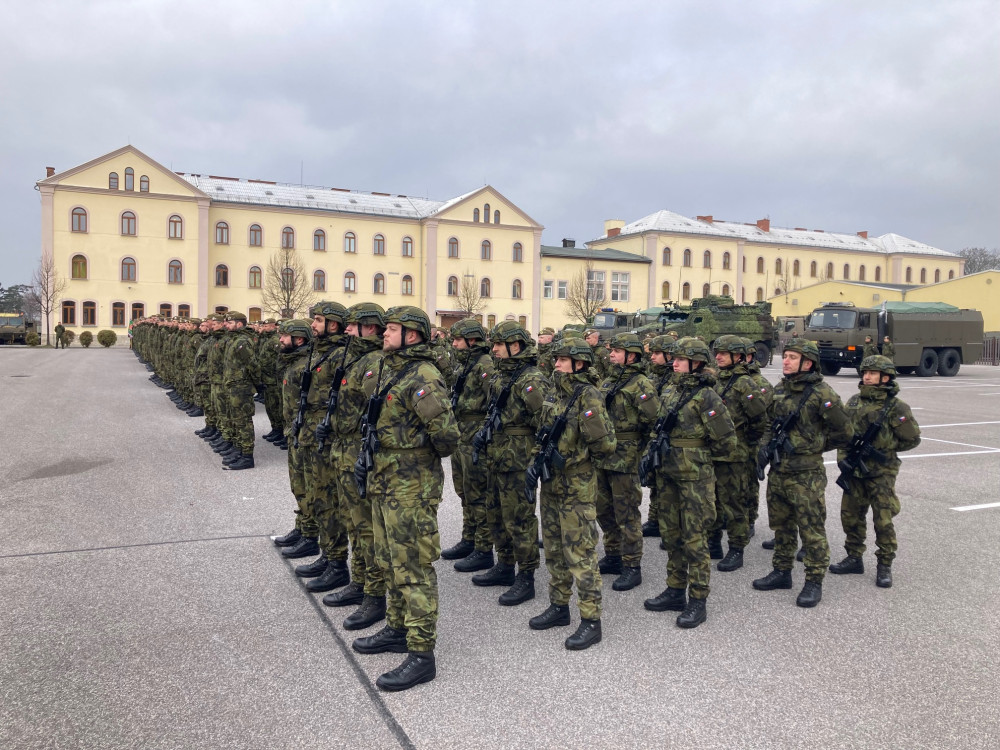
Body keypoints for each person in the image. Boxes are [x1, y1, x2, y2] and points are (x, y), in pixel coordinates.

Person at [351, 305, 459, 692]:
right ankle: (397, 628)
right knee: (388, 559)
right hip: (385, 480)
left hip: (409, 485)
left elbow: (447, 437)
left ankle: (421, 654)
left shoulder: (423, 376)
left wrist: (410, 453)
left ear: (411, 335)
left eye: (391, 328)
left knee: (412, 566)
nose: (383, 333)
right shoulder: (389, 367)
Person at [527, 339, 616, 650]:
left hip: (576, 486)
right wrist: (535, 462)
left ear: (579, 363)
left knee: (580, 553)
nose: (557, 364)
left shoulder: (588, 394)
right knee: (553, 549)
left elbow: (605, 445)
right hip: (551, 484)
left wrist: (574, 455)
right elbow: (543, 429)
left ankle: (591, 621)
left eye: (563, 360)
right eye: (557, 359)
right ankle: (558, 606)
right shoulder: (556, 391)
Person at [642, 337, 736, 629]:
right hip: (668, 474)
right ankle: (674, 590)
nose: (675, 363)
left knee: (695, 539)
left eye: (681, 359)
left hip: (695, 477)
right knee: (671, 535)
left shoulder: (707, 396)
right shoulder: (670, 389)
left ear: (696, 363)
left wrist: (698, 457)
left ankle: (697, 599)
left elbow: (726, 441)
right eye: (675, 358)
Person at [752, 339, 853, 608]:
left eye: (792, 357)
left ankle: (813, 580)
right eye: (784, 356)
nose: (785, 360)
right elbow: (768, 425)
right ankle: (782, 571)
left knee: (811, 529)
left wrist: (813, 445)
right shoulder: (781, 389)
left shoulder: (823, 394)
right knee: (781, 525)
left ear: (807, 362)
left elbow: (845, 433)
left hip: (806, 472)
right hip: (779, 469)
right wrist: (763, 448)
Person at [470, 322, 549, 607]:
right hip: (497, 456)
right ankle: (504, 564)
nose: (493, 350)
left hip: (517, 459)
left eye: (498, 345)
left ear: (515, 346)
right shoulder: (502, 377)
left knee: (520, 519)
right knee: (495, 514)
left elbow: (545, 421)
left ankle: (525, 576)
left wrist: (535, 458)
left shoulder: (532, 379)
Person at [830, 355, 921, 588]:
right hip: (855, 471)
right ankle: (853, 557)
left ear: (886, 377)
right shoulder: (853, 402)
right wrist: (844, 460)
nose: (866, 376)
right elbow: (844, 436)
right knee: (850, 516)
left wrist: (885, 449)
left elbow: (912, 439)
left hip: (881, 472)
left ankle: (884, 564)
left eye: (872, 373)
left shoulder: (896, 407)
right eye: (865, 372)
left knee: (883, 520)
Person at [323, 303, 388, 626]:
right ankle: (359, 583)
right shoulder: (356, 358)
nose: (346, 330)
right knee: (353, 524)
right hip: (343, 449)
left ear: (370, 328)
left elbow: (376, 414)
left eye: (353, 325)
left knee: (367, 530)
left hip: (360, 453)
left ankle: (375, 597)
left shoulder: (374, 363)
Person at [595, 333, 660, 591]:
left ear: (631, 356)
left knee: (627, 513)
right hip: (603, 454)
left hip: (626, 456)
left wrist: (641, 452)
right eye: (611, 350)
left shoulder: (641, 384)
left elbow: (653, 422)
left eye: (617, 350)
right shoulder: (609, 380)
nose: (611, 354)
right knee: (603, 509)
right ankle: (613, 556)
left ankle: (632, 565)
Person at [709, 335, 769, 572]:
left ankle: (736, 549)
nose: (719, 356)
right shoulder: (716, 381)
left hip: (735, 455)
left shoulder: (746, 384)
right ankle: (713, 543)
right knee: (712, 501)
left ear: (740, 357)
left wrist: (745, 443)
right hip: (714, 452)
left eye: (724, 353)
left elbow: (759, 419)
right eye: (718, 352)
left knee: (734, 504)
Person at [441, 319, 496, 572]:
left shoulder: (485, 365)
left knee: (478, 495)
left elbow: (494, 403)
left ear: (472, 340)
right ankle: (469, 538)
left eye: (458, 340)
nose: (453, 344)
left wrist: (482, 434)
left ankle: (483, 549)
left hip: (474, 435)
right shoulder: (467, 363)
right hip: (462, 433)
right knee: (464, 492)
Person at [219, 312, 257, 471]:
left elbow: (252, 365)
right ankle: (239, 449)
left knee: (243, 421)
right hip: (232, 386)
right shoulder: (233, 340)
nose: (226, 325)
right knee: (235, 419)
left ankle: (247, 455)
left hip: (241, 387)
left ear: (239, 324)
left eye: (230, 323)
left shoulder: (243, 342)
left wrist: (254, 383)